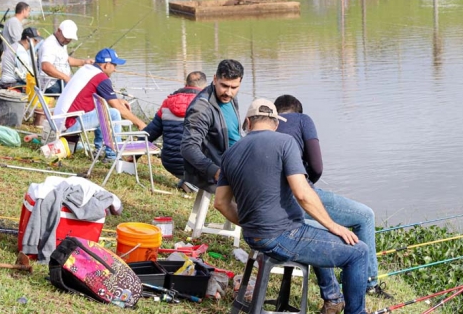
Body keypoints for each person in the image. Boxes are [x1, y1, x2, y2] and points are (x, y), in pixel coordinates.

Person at [214, 98, 369, 314]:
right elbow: (303, 194)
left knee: (321, 234)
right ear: (275, 123)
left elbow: (220, 203)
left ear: (248, 123)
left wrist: (251, 223)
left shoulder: (231, 152)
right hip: (283, 235)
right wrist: (334, 226)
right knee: (359, 252)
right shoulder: (285, 142)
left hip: (253, 236)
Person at [273, 94, 391, 301]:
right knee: (364, 216)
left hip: (273, 205)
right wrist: (308, 181)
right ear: (298, 111)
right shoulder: (303, 120)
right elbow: (317, 166)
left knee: (315, 227)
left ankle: (332, 293)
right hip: (299, 196)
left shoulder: (265, 127)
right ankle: (369, 284)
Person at [53, 47, 146, 160]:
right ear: (106, 65)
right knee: (114, 113)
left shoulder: (86, 69)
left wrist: (118, 100)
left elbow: (96, 95)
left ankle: (100, 149)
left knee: (102, 110)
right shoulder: (101, 78)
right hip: (68, 123)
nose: (115, 70)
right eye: (114, 65)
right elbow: (118, 108)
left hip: (59, 120)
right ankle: (112, 155)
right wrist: (140, 124)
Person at [180, 59, 243, 193]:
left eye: (234, 87)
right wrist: (214, 171)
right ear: (215, 79)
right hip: (217, 171)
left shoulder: (231, 98)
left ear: (240, 83)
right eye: (224, 86)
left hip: (238, 162)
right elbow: (188, 147)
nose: (229, 92)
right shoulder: (201, 108)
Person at [144, 71, 207, 189]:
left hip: (169, 162)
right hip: (195, 163)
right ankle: (192, 181)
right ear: (205, 86)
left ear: (186, 84)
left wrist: (133, 156)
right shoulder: (206, 103)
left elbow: (151, 132)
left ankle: (187, 180)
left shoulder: (168, 102)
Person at [36, 19, 93, 95]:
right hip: (51, 84)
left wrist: (84, 62)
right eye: (66, 37)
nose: (67, 40)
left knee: (86, 85)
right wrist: (66, 78)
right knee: (82, 91)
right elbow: (46, 66)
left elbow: (66, 59)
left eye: (69, 38)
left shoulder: (61, 42)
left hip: (60, 81)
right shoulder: (49, 45)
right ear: (59, 30)